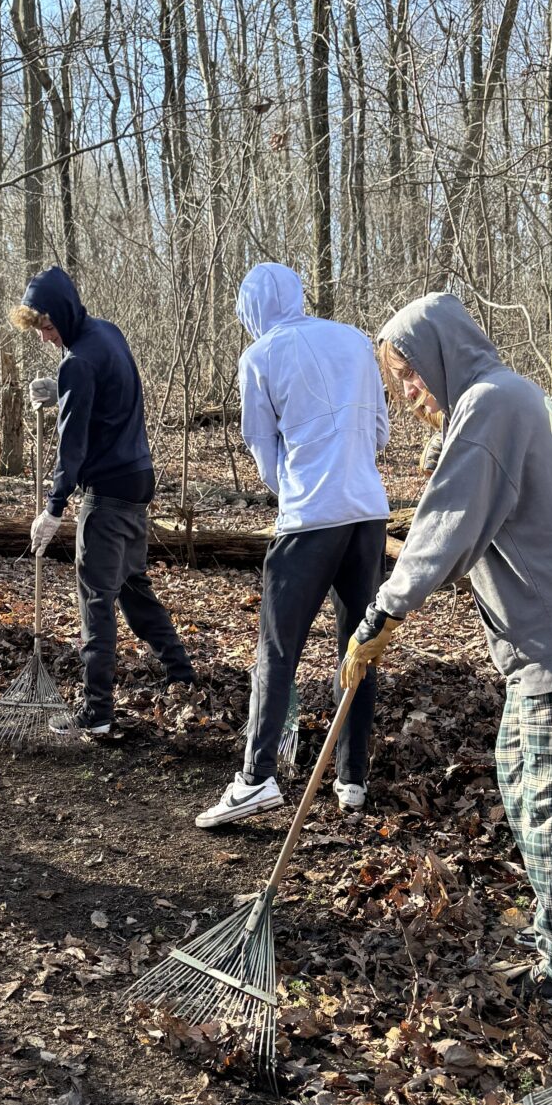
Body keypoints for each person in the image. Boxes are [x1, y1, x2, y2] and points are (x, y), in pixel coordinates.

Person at [343, 292, 552, 1011]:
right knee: (521, 774)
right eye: (398, 386)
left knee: (548, 804)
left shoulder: (491, 406)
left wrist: (383, 609)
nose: (410, 395)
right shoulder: (509, 396)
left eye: (411, 376)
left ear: (441, 356)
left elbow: (447, 527)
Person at [196, 263, 391, 829]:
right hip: (369, 513)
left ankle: (256, 777)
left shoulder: (260, 357)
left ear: (250, 311)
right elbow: (379, 430)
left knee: (277, 651)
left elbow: (262, 447)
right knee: (358, 645)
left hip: (310, 519)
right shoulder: (355, 339)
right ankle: (352, 779)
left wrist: (297, 491)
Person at [10, 267, 194, 735]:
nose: (47, 339)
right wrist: (61, 392)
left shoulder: (78, 360)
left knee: (96, 597)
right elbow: (117, 393)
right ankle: (181, 671)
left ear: (66, 313)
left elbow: (72, 448)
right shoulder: (106, 333)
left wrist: (53, 509)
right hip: (138, 476)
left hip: (108, 490)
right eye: (40, 331)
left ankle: (97, 712)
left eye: (49, 327)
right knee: (131, 583)